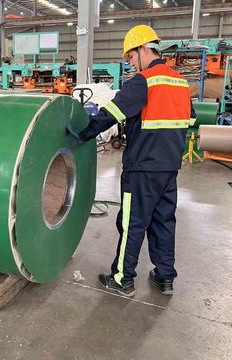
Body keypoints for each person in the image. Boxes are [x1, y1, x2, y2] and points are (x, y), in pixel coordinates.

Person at [73, 25, 195, 297]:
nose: (131, 63)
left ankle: (122, 279)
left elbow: (110, 114)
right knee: (164, 221)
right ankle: (165, 277)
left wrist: (82, 134)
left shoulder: (143, 81)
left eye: (130, 57)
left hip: (142, 169)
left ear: (143, 49)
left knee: (132, 224)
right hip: (169, 168)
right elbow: (190, 119)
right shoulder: (180, 83)